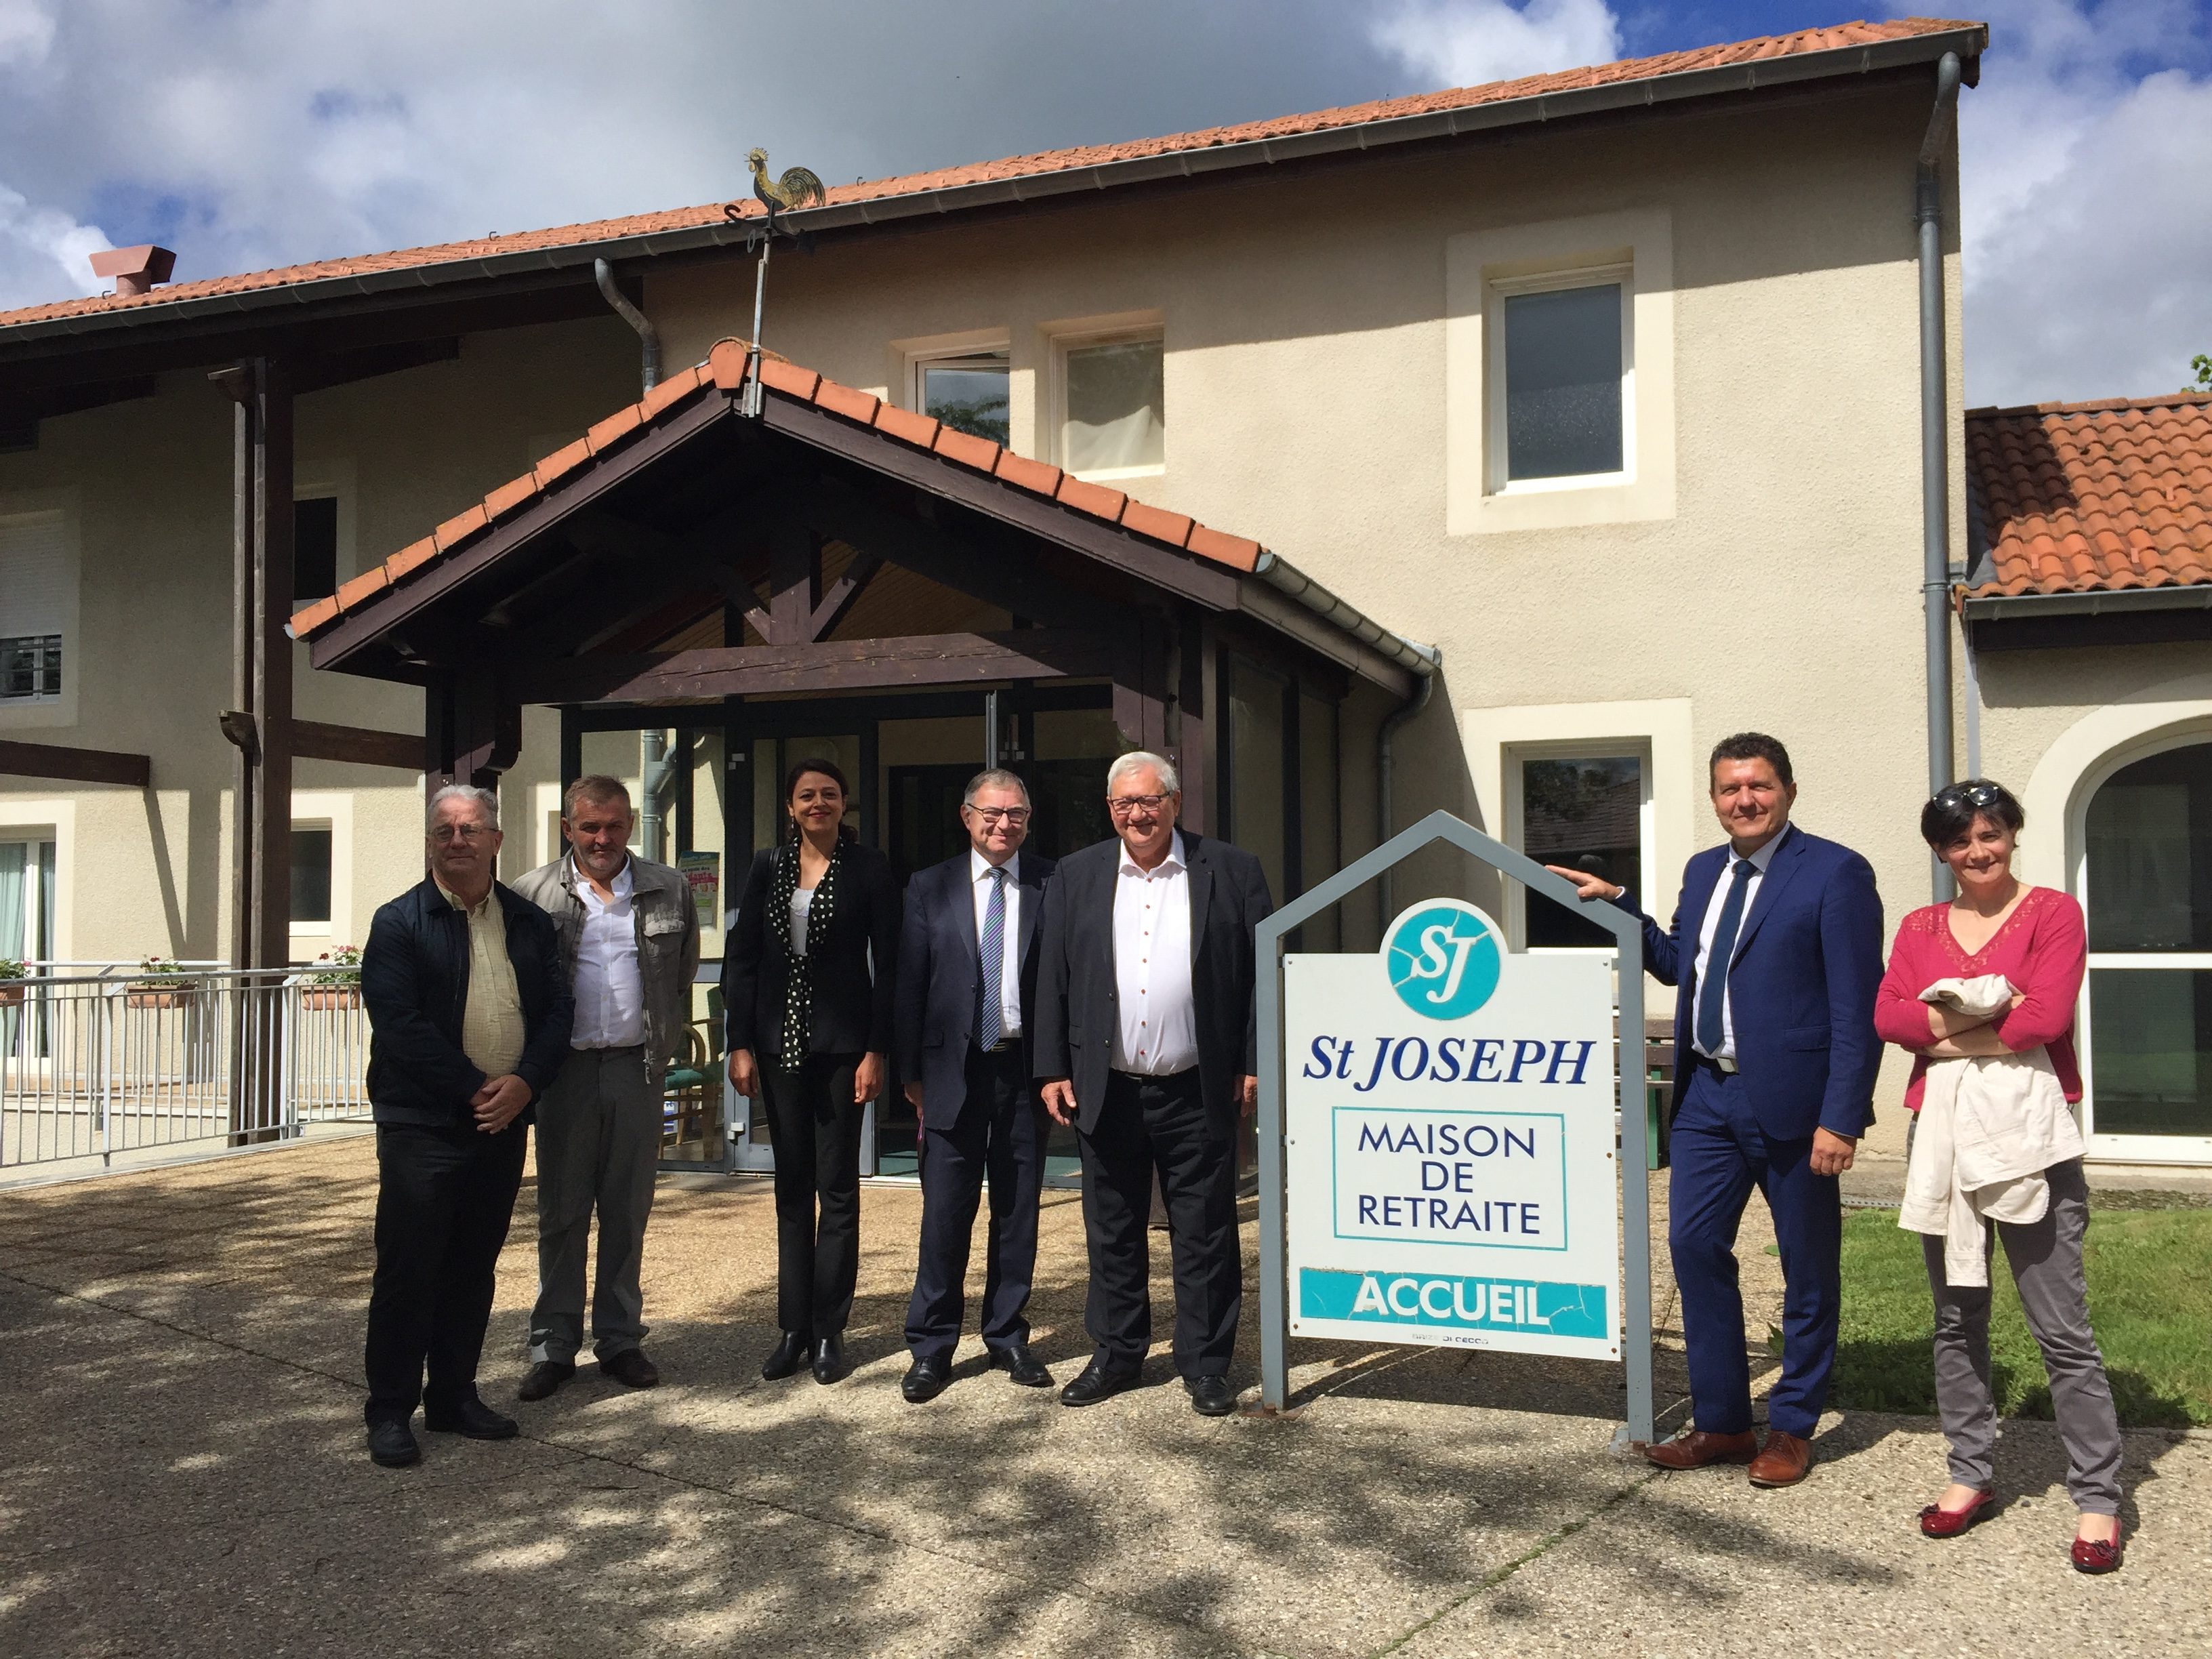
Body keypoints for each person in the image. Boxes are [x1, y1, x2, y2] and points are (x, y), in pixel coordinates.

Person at [1549, 732, 1882, 1487]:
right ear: (1714, 799)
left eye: (1759, 786)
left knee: (1806, 1267)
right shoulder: (1704, 871)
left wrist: (1843, 1117)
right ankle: (1727, 1420)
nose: (1745, 801)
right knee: (1694, 1247)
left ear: (1788, 791)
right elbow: (1678, 965)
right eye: (1730, 789)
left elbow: (1855, 1008)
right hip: (1706, 1097)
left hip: (1795, 1105)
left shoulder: (1835, 873)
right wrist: (1622, 910)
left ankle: (1793, 1426)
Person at [1872, 779, 2125, 1573]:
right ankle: (1969, 1473)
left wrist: (1940, 1028)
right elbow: (1889, 1017)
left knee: (2062, 1330)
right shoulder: (1919, 925)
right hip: (1943, 1136)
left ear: (2013, 833)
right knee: (1956, 1318)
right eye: (1958, 841)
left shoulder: (2053, 913)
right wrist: (1991, 1015)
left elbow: (2045, 1020)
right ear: (1941, 851)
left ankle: (2097, 1497)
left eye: (1990, 834)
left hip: (2031, 1140)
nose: (1977, 851)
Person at [1033, 751, 1272, 1418]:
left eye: (1149, 800)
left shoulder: (1231, 869)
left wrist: (1255, 1061)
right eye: (1122, 804)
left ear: (1175, 801)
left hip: (1199, 1088)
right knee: (1112, 1230)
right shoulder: (1077, 875)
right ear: (1110, 810)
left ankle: (1205, 1365)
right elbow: (1050, 975)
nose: (1136, 814)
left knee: (1205, 1233)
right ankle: (1117, 1355)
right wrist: (1051, 1066)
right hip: (1105, 1088)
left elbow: (1261, 975)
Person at [359, 784, 573, 1469]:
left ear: (496, 841)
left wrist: (525, 1084)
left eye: (471, 829)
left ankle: (453, 1396)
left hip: (500, 1124)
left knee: (471, 1268)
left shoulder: (529, 924)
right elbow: (399, 1026)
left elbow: (557, 1016)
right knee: (408, 1270)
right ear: (430, 842)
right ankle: (390, 1410)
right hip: (423, 1123)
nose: (459, 840)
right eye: (446, 830)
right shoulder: (399, 923)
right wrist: (479, 1089)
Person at [509, 775, 700, 1402]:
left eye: (614, 825)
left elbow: (681, 977)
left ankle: (620, 1340)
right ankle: (554, 1347)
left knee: (627, 1209)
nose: (602, 838)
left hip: (635, 1069)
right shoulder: (532, 894)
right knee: (562, 1213)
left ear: (629, 827)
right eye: (589, 826)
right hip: (562, 1073)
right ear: (569, 829)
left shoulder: (668, 887)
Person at [722, 758, 900, 1385]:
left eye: (829, 794)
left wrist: (877, 1049)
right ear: (791, 807)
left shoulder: (870, 869)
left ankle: (830, 1331)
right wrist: (737, 1043)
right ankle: (792, 1328)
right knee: (791, 1190)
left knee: (838, 1188)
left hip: (843, 1048)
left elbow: (892, 965)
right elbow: (741, 960)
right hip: (776, 1048)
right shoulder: (767, 867)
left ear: (843, 803)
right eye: (806, 795)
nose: (817, 803)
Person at [893, 769, 1057, 1402]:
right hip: (949, 1073)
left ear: (1028, 818)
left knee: (1018, 1212)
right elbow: (908, 984)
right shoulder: (928, 886)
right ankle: (932, 1347)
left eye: (1014, 814)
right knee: (945, 1213)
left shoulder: (1052, 881)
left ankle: (1007, 1335)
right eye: (990, 814)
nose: (1002, 825)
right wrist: (910, 1075)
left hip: (1022, 1071)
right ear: (967, 817)